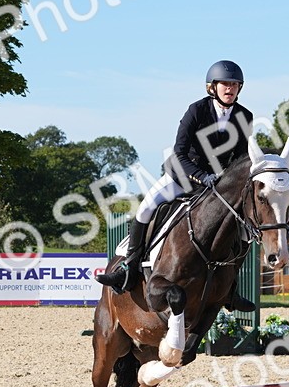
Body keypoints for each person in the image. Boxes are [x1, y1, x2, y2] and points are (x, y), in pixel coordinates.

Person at [96, 59, 255, 312]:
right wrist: (202, 176)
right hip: (183, 176)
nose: (230, 88)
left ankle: (231, 289)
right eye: (225, 84)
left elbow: (242, 157)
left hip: (217, 187)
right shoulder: (197, 110)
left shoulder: (244, 116)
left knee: (244, 229)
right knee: (146, 208)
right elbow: (179, 152)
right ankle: (129, 267)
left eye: (235, 84)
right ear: (212, 87)